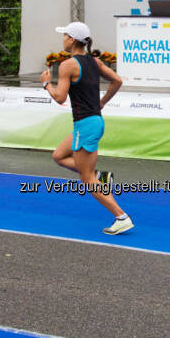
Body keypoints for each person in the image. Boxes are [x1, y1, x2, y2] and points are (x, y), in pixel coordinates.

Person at [40, 21, 134, 235]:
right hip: (93, 122)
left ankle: (121, 217)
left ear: (72, 39)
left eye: (64, 35)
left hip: (85, 125)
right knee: (58, 155)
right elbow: (117, 81)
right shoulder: (94, 61)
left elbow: (60, 97)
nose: (62, 38)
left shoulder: (67, 65)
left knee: (86, 178)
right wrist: (102, 102)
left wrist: (46, 84)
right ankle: (100, 175)